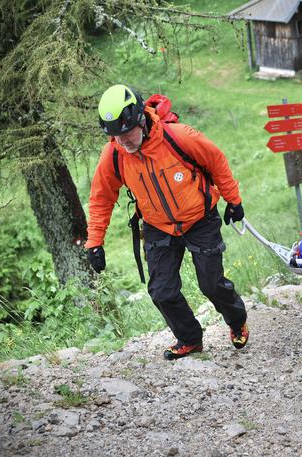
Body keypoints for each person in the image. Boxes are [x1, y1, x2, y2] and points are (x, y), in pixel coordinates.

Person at [86, 84, 248, 360]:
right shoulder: (114, 155)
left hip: (199, 218)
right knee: (162, 291)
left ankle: (236, 320)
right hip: (157, 225)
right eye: (115, 136)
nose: (122, 141)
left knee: (211, 284)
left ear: (140, 119)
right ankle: (190, 339)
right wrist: (95, 242)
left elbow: (216, 161)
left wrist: (234, 201)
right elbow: (101, 198)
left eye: (126, 133)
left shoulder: (178, 137)